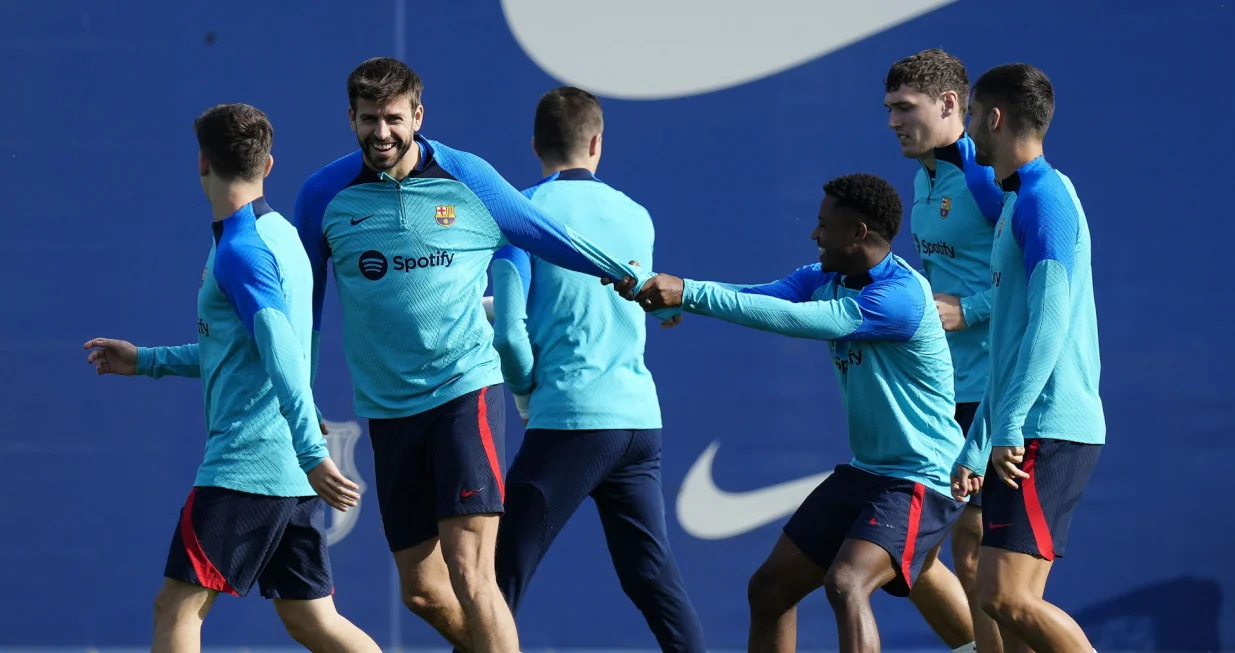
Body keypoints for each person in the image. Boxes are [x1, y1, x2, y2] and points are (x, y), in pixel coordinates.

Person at [292, 58, 658, 653]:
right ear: (350, 119)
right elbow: (303, 313)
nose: (380, 133)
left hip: (466, 391)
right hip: (388, 410)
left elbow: (543, 234)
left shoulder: (468, 178)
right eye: (367, 120)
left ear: (418, 115)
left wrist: (623, 275)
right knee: (423, 591)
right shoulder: (322, 195)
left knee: (471, 572)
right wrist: (302, 413)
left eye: (392, 118)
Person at [609, 173, 969, 652]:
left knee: (847, 584)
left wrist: (688, 293)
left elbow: (804, 321)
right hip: (868, 472)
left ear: (858, 233)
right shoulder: (825, 277)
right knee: (771, 589)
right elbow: (760, 298)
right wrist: (668, 293)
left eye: (824, 225)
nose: (813, 234)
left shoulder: (901, 297)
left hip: (922, 478)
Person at [82, 104, 379, 653]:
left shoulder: (242, 251)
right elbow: (239, 352)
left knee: (176, 608)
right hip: (286, 472)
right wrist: (146, 360)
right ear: (268, 164)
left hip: (249, 466)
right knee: (312, 620)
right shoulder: (279, 236)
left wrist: (312, 451)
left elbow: (282, 352)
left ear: (201, 162)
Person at [485, 86, 706, 652]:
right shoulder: (637, 215)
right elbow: (613, 305)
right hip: (638, 423)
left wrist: (527, 391)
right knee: (652, 580)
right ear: (597, 143)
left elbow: (510, 333)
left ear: (535, 143)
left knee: (495, 584)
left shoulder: (520, 213)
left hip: (569, 421)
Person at [951, 62, 1105, 653]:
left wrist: (1007, 426)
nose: (970, 134)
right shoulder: (1019, 203)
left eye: (972, 119)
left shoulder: (1047, 199)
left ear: (995, 117)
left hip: (1046, 427)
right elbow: (1010, 343)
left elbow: (1050, 321)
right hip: (1022, 428)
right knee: (1008, 605)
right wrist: (977, 441)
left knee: (1005, 597)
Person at [884, 48, 1006, 653]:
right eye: (889, 109)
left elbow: (1043, 280)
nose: (892, 121)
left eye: (904, 108)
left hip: (992, 392)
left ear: (950, 104)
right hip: (938, 393)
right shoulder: (921, 175)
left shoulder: (986, 175)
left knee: (977, 551)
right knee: (905, 552)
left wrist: (972, 309)